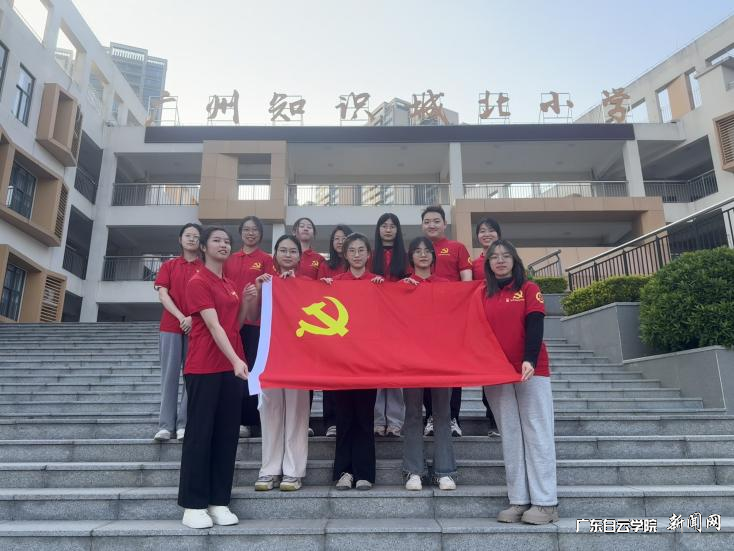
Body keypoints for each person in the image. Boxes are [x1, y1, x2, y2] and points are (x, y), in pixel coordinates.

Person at [177, 227, 257, 529]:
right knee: (200, 435)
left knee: (226, 435)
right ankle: (193, 505)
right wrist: (236, 359)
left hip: (230, 369)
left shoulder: (230, 284)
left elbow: (235, 325)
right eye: (217, 241)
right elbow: (213, 326)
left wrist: (246, 301)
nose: (223, 245)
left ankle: (218, 501)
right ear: (204, 247)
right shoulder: (198, 281)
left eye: (226, 241)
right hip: (204, 367)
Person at [481, 239, 558, 525]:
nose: (500, 260)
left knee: (537, 432)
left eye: (505, 256)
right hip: (496, 373)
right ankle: (519, 499)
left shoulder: (528, 288)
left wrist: (529, 358)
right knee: (511, 437)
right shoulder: (482, 293)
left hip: (531, 370)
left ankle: (546, 503)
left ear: (514, 260)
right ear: (488, 263)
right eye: (494, 257)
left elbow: (535, 324)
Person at [323, 233, 384, 491]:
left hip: (368, 361)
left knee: (364, 418)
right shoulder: (335, 283)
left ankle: (364, 473)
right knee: (344, 418)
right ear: (344, 255)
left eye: (361, 250)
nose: (357, 255)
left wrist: (385, 290)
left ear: (369, 254)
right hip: (341, 361)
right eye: (352, 251)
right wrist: (322, 288)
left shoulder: (378, 282)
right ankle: (344, 472)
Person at [253, 234, 311, 492]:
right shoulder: (266, 283)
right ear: (275, 255)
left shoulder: (308, 284)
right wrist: (257, 289)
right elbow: (250, 315)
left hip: (299, 358)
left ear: (300, 257)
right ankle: (268, 470)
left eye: (293, 251)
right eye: (283, 250)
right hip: (271, 356)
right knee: (270, 411)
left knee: (297, 413)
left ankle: (293, 471)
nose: (288, 255)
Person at [401, 236, 457, 491]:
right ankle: (414, 471)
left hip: (441, 358)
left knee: (442, 413)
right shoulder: (402, 286)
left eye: (427, 251)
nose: (423, 254)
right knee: (413, 413)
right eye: (417, 251)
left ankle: (444, 471)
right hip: (411, 358)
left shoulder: (446, 285)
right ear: (411, 257)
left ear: (434, 256)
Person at [420, 205, 472, 437]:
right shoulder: (418, 249)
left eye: (436, 221)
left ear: (444, 224)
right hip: (423, 320)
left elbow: (466, 280)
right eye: (427, 221)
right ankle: (431, 417)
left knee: (453, 369)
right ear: (422, 225)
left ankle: (452, 418)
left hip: (451, 318)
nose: (432, 225)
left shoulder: (457, 247)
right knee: (424, 369)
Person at [224, 216, 274, 439]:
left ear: (261, 234)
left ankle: (253, 419)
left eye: (255, 229)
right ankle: (237, 419)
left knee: (254, 371)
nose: (250, 233)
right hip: (232, 322)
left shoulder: (266, 259)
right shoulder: (230, 259)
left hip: (256, 324)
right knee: (235, 371)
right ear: (240, 232)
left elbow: (272, 288)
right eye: (246, 229)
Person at [153, 223, 203, 442]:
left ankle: (184, 424)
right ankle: (166, 425)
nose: (192, 239)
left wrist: (193, 317)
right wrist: (182, 317)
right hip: (171, 327)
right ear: (180, 239)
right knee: (169, 376)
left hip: (197, 327)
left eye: (196, 236)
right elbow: (163, 295)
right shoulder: (169, 265)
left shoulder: (206, 267)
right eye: (188, 235)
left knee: (191, 377)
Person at [371, 213, 408, 437]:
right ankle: (377, 419)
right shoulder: (370, 255)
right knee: (375, 372)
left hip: (397, 321)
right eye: (384, 225)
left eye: (392, 226)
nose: (388, 229)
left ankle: (395, 420)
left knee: (394, 372)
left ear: (397, 230)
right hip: (374, 322)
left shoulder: (405, 256)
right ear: (378, 229)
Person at [317, 224, 353, 437]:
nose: (340, 241)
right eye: (336, 238)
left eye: (344, 237)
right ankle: (331, 421)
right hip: (331, 325)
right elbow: (317, 292)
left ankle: (347, 419)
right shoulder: (325, 265)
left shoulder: (356, 263)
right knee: (329, 375)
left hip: (352, 328)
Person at [472, 217, 502, 438]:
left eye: (491, 230)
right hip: (483, 324)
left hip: (505, 320)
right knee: (489, 374)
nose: (486, 234)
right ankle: (492, 420)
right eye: (482, 231)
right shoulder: (475, 264)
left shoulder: (509, 258)